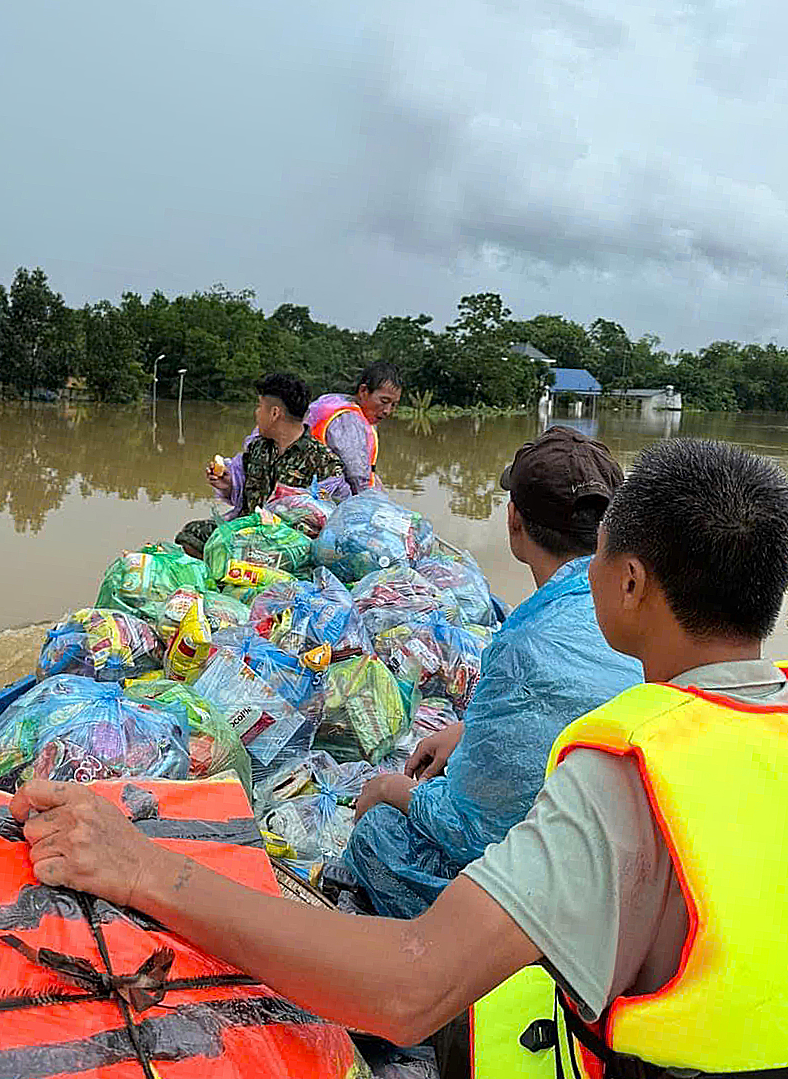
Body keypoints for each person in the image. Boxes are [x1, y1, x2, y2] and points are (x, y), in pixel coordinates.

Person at [12, 438, 788, 1079]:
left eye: (603, 557)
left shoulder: (630, 774)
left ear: (630, 582)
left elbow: (407, 988)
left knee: (464, 1010)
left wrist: (142, 867)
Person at [342, 426, 643, 918]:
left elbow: (473, 829)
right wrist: (470, 730)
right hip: (622, 860)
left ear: (514, 523)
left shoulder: (523, 648)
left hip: (558, 896)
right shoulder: (633, 607)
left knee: (378, 836)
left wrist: (388, 790)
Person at [175, 372, 348, 558]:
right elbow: (242, 498)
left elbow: (331, 521)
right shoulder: (257, 447)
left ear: (274, 413)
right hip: (244, 531)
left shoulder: (323, 462)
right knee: (193, 534)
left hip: (285, 545)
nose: (256, 413)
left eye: (259, 406)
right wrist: (228, 485)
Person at [306, 361, 403, 493]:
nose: (387, 410)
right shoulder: (348, 419)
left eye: (393, 405)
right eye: (384, 401)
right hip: (322, 495)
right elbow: (357, 476)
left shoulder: (334, 401)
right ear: (363, 391)